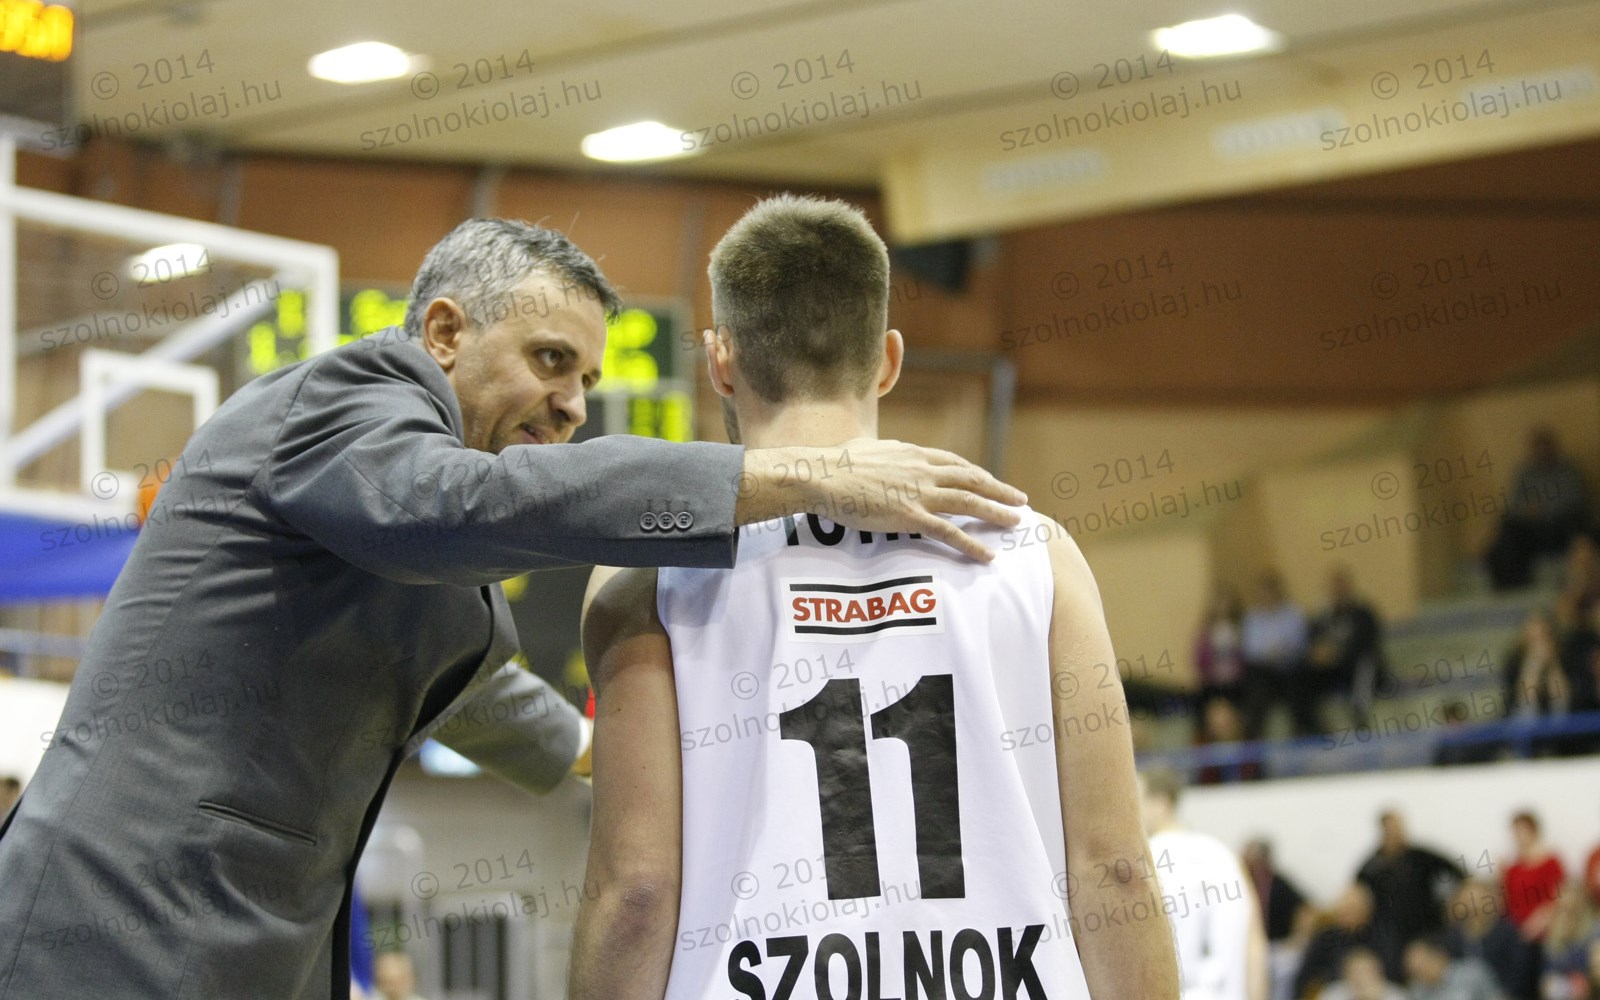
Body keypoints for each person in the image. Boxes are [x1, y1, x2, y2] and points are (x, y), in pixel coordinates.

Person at [0, 218, 1026, 1000]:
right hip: (117, 924)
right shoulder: (351, 397)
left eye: (586, 377)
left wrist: (633, 752)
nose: (574, 403)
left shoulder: (427, 527)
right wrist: (803, 476)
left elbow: (478, 687)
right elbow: (444, 509)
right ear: (444, 332)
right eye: (549, 360)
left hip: (236, 942)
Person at [568, 195, 1179, 999]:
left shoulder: (649, 574)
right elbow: (1116, 868)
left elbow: (639, 891)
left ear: (720, 361)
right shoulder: (1035, 551)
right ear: (888, 359)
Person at [1142, 770, 1268, 1000]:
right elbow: (1254, 945)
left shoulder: (1145, 861)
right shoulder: (1223, 855)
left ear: (1161, 803)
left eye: (1136, 798)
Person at [1355, 811, 1468, 981]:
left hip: (1429, 928)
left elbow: (1457, 872)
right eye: (1390, 829)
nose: (1395, 833)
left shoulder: (1421, 857)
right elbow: (1357, 893)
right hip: (1390, 936)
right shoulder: (1371, 866)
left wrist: (1454, 901)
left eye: (1398, 828)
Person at [1486, 427, 1591, 591]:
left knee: (1576, 522)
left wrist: (1545, 510)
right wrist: (1527, 511)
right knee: (1508, 529)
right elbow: (1514, 506)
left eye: (1545, 447)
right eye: (1538, 448)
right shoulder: (1525, 474)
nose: (1542, 452)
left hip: (1560, 528)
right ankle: (1514, 584)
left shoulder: (1567, 471)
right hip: (1533, 531)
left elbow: (1575, 502)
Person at [1307, 567, 1387, 726]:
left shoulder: (1364, 613)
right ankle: (1309, 722)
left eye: (1341, 585)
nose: (1338, 590)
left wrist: (1337, 653)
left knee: (1365, 662)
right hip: (1333, 669)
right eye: (1334, 587)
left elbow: (1367, 643)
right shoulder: (1323, 617)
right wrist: (1318, 653)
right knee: (1302, 670)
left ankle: (1360, 716)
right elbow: (1314, 640)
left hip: (1358, 664)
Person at [1240, 571, 1312, 739]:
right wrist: (1268, 654)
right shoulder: (1252, 617)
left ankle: (1303, 731)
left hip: (1290, 669)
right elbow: (1250, 649)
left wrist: (1284, 652)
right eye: (1262, 593)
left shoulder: (1293, 613)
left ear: (1278, 592)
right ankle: (1254, 736)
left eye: (1269, 592)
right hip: (1263, 671)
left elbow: (1300, 642)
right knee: (1255, 690)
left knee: (1300, 686)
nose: (1266, 596)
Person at [1243, 838, 1314, 1000]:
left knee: (1283, 967)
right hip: (1247, 945)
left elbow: (1306, 910)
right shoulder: (1238, 884)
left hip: (1275, 946)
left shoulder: (1277, 883)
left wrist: (1298, 939)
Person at [1443, 879, 1535, 1000]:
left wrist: (1507, 993)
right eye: (1468, 899)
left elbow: (1520, 971)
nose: (1472, 904)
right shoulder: (1454, 936)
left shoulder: (1507, 932)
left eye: (1477, 898)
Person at [1296, 884, 1382, 1000]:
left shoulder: (1380, 936)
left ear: (1366, 910)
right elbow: (1306, 975)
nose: (1348, 914)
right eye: (1344, 909)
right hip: (1335, 991)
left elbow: (1390, 974)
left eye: (1353, 909)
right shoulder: (1325, 937)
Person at [1503, 811, 1566, 944]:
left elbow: (1558, 896)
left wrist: (1539, 922)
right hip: (1516, 930)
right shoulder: (1513, 869)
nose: (1518, 836)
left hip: (1546, 930)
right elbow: (1508, 902)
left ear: (1534, 831)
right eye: (1515, 832)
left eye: (1522, 830)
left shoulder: (1551, 863)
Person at [1194, 582, 1246, 727]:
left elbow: (1246, 655)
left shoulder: (1239, 627)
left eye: (1226, 601)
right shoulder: (1207, 629)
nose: (1223, 606)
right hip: (1213, 680)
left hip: (1235, 680)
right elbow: (1199, 658)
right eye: (1220, 602)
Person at [1402, 935, 1505, 1000]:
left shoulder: (1473, 971)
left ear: (1439, 955)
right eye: (1415, 971)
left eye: (1424, 964)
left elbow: (1498, 997)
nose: (1422, 973)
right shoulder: (1418, 992)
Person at [1318, 947, 1406, 1000]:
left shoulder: (1396, 995)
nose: (1360, 977)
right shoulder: (1334, 992)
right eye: (1354, 972)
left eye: (1366, 971)